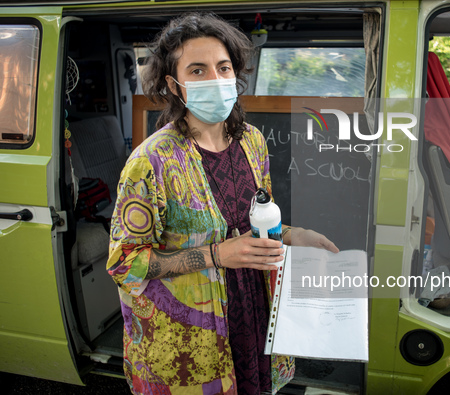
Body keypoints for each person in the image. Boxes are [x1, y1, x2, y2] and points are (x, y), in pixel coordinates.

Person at [106, 12, 338, 395]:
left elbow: (256, 220)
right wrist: (215, 255)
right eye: (197, 71)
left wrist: (296, 234)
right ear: (174, 85)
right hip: (191, 333)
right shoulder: (151, 162)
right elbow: (124, 264)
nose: (215, 79)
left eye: (223, 67)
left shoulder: (252, 141)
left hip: (254, 310)